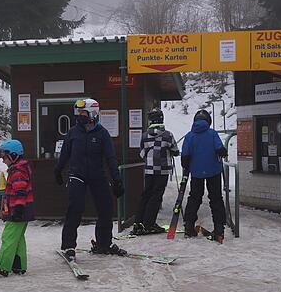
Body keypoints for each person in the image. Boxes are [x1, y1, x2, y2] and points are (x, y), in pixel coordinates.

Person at [54, 98, 126, 261]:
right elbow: (64, 154)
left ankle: (103, 243)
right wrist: (58, 171)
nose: (79, 116)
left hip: (97, 175)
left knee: (105, 208)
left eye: (82, 113)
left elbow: (110, 158)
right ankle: (69, 246)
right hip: (77, 174)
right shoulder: (73, 132)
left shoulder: (102, 133)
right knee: (75, 208)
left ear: (93, 113)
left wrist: (117, 179)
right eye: (77, 113)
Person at [0, 139, 35, 277]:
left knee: (8, 237)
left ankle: (2, 265)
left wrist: (18, 208)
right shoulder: (18, 169)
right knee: (18, 238)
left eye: (4, 158)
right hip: (22, 210)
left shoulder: (18, 171)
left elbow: (20, 191)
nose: (3, 161)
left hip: (18, 210)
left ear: (13, 155)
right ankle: (18, 265)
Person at [181, 109, 228, 243]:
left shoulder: (190, 136)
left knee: (195, 197)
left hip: (196, 172)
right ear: (208, 121)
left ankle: (189, 226)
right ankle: (219, 229)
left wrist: (187, 166)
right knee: (216, 199)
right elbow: (220, 149)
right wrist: (222, 152)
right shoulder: (212, 134)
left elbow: (185, 155)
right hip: (213, 171)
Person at [133, 107, 179, 235]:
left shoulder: (144, 136)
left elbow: (142, 154)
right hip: (162, 170)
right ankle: (149, 224)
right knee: (156, 196)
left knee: (146, 195)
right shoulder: (168, 135)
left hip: (149, 170)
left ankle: (138, 223)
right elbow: (175, 151)